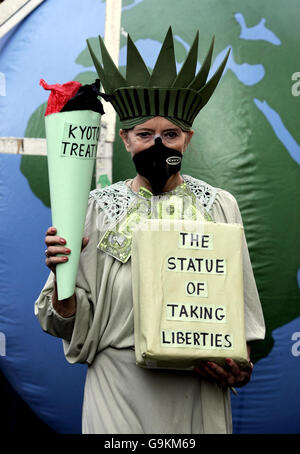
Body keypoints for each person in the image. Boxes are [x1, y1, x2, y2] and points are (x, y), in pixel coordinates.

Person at [35, 28, 265, 434]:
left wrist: (238, 367)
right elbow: (65, 322)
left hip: (197, 392)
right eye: (145, 134)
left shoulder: (219, 206)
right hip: (118, 390)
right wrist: (61, 277)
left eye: (170, 135)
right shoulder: (94, 209)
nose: (158, 145)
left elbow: (240, 313)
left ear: (188, 139)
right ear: (125, 139)